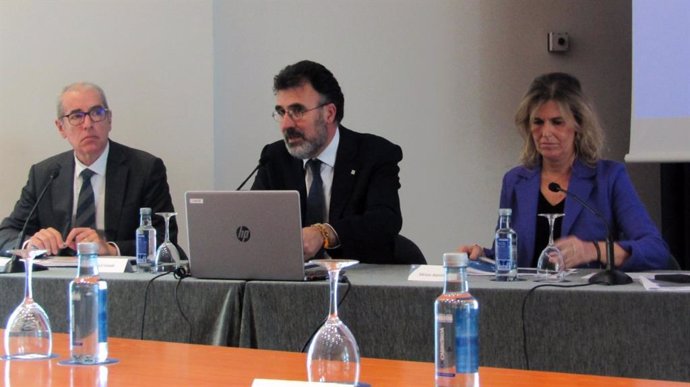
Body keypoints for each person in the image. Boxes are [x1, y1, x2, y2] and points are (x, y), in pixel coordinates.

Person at [459, 72, 672, 271]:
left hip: (589, 302)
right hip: (526, 301)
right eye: (538, 122)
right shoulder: (515, 181)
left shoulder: (609, 178)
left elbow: (656, 251)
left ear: (578, 125)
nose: (546, 132)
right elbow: (507, 257)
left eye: (557, 122)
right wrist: (481, 256)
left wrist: (592, 250)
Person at [0, 82, 181, 258]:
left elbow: (166, 238)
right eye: (77, 116)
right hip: (57, 280)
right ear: (61, 128)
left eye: (96, 113)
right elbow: (5, 233)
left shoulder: (144, 169)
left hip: (123, 281)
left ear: (109, 119)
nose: (87, 124)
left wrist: (110, 249)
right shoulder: (44, 174)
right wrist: (30, 243)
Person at [251, 60, 404, 264]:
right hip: (290, 287)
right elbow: (254, 223)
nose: (286, 124)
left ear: (329, 113)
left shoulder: (374, 154)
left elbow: (384, 221)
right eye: (281, 112)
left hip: (358, 285)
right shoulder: (274, 157)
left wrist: (323, 234)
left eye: (297, 111)